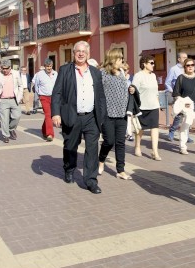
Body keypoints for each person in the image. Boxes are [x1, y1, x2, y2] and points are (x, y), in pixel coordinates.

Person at [51, 41, 107, 194]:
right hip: (72, 116)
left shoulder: (95, 72)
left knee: (92, 148)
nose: (81, 54)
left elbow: (101, 96)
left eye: (84, 51)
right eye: (78, 51)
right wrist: (56, 113)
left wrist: (102, 117)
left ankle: (91, 181)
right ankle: (69, 168)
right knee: (70, 146)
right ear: (74, 53)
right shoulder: (65, 70)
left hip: (91, 117)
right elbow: (57, 93)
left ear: (88, 54)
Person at [98, 48, 135, 180]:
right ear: (113, 60)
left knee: (120, 143)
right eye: (119, 59)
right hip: (108, 114)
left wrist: (131, 89)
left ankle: (121, 170)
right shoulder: (103, 73)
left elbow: (125, 90)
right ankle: (101, 160)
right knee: (109, 141)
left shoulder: (122, 72)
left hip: (122, 113)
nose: (122, 61)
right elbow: (98, 92)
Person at [131, 54, 162, 161]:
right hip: (142, 106)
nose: (154, 65)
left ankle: (155, 151)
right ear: (144, 64)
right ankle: (137, 146)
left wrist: (159, 105)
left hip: (153, 106)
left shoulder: (153, 76)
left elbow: (156, 92)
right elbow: (133, 91)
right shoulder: (138, 75)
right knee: (140, 129)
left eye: (154, 63)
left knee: (155, 128)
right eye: (151, 63)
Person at [0, 59, 23, 143]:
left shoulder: (16, 73)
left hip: (14, 99)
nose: (5, 70)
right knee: (4, 119)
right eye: (3, 68)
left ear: (10, 67)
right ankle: (5, 135)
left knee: (17, 116)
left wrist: (19, 97)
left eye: (6, 68)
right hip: (3, 100)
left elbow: (20, 85)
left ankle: (11, 128)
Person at [165, 51, 192, 142]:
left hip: (188, 96)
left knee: (188, 116)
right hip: (178, 96)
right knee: (179, 116)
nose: (185, 59)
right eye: (183, 57)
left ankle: (186, 135)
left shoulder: (188, 68)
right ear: (179, 59)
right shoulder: (173, 69)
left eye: (186, 57)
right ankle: (172, 132)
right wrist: (174, 93)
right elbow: (167, 83)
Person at [33, 59, 57, 141]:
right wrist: (38, 96)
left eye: (50, 66)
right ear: (44, 67)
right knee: (48, 114)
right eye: (47, 66)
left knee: (49, 115)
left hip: (53, 97)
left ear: (52, 66)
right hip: (43, 97)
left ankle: (44, 129)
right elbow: (36, 86)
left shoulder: (55, 74)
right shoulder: (39, 74)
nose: (49, 68)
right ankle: (50, 134)